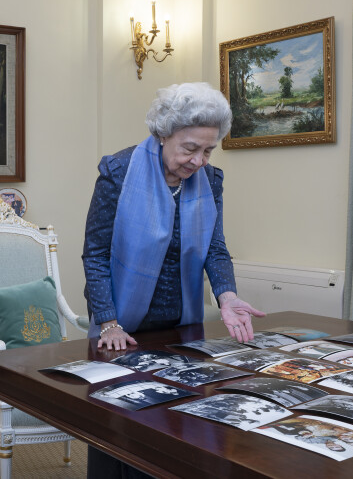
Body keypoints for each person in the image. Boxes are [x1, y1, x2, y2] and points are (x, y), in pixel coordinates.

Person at [82, 82, 266, 478]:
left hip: (181, 326)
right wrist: (109, 322)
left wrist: (227, 295)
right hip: (122, 328)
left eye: (208, 150)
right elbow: (95, 253)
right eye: (190, 148)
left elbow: (215, 248)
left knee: (177, 431)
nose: (199, 160)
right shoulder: (117, 171)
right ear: (163, 133)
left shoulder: (210, 181)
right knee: (118, 431)